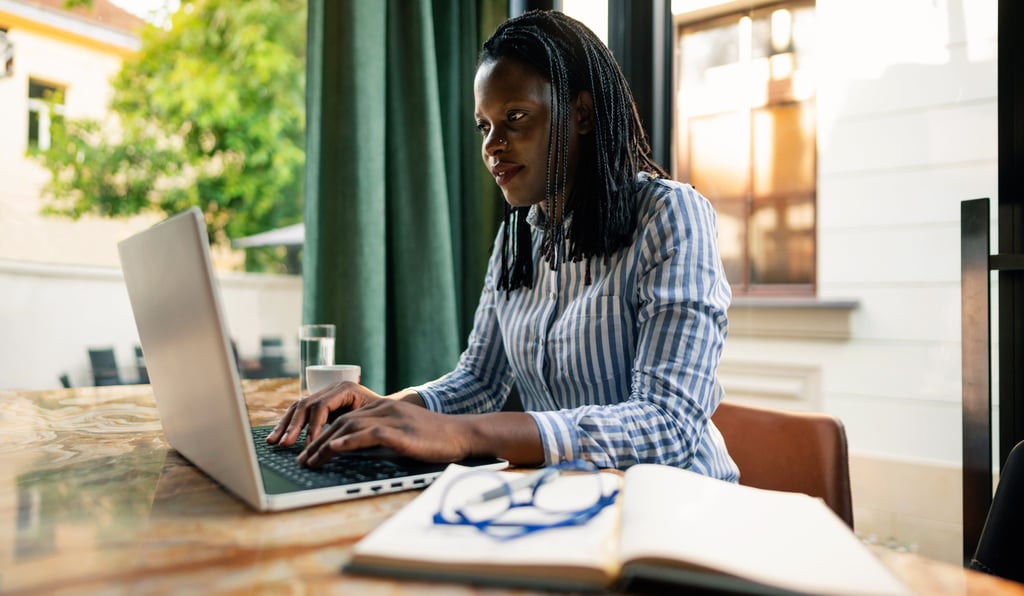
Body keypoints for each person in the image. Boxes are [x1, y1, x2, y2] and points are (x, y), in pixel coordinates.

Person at [267, 10, 738, 481]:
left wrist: (471, 434)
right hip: (565, 504)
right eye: (484, 126)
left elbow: (667, 427)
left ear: (583, 114)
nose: (493, 145)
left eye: (515, 117)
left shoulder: (669, 216)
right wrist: (391, 409)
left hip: (678, 513)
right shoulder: (519, 238)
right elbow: (480, 380)